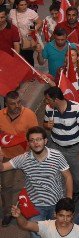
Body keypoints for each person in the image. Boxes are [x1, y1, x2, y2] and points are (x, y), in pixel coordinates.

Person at [0, 126, 73, 235]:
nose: (36, 143)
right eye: (32, 140)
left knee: (56, 233)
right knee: (37, 234)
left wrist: (68, 200)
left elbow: (68, 176)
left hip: (56, 204)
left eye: (38, 139)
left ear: (45, 141)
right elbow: (2, 168)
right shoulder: (23, 159)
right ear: (29, 144)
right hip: (35, 205)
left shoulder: (56, 156)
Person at [0, 90, 38, 226]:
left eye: (19, 102)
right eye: (13, 104)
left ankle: (32, 210)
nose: (17, 106)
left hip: (26, 155)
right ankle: (7, 213)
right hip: (7, 157)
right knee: (6, 187)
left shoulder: (29, 114)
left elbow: (36, 136)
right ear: (6, 104)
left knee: (33, 183)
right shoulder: (0, 116)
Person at [43, 86, 79, 201]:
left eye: (48, 99)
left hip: (74, 149)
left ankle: (76, 190)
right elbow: (44, 123)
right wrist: (47, 125)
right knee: (58, 174)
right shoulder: (49, 109)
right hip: (56, 147)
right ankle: (63, 196)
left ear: (55, 100)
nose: (46, 102)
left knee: (78, 177)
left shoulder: (76, 108)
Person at [11, 197, 79, 238]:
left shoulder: (78, 231)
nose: (65, 220)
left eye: (68, 216)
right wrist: (19, 216)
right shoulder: (46, 226)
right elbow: (25, 224)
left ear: (72, 215)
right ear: (55, 214)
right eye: (61, 215)